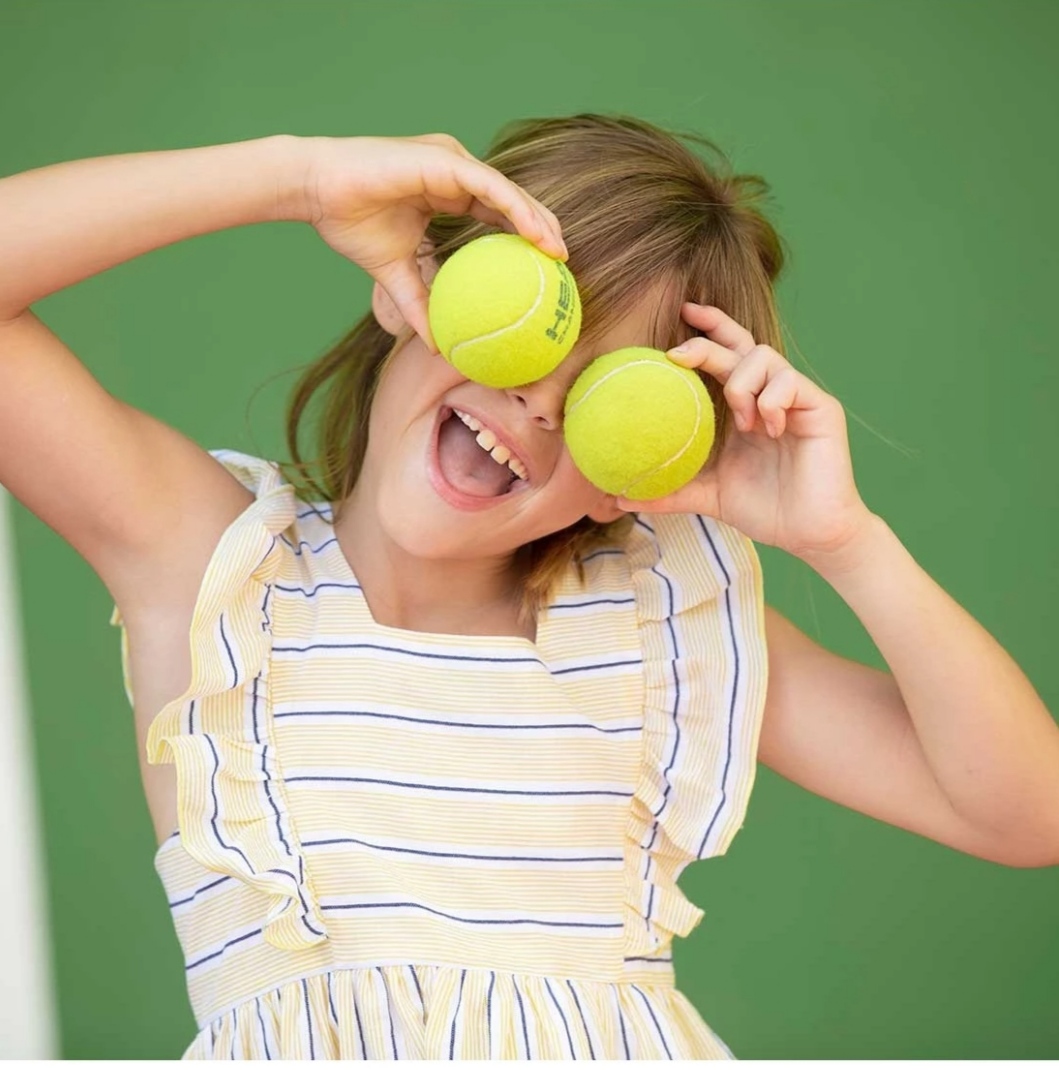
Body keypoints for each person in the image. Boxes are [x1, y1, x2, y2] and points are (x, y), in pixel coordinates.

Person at [1, 114, 1056, 1061]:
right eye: (536, 323)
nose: (536, 404)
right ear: (412, 293)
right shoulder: (210, 565)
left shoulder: (657, 629)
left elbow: (1025, 814)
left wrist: (846, 539)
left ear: (634, 478)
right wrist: (305, 178)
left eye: (611, 397)